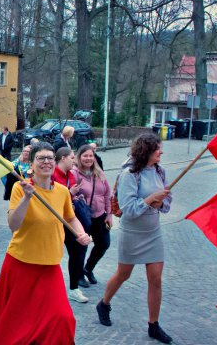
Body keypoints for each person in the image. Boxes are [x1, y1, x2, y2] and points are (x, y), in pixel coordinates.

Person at [0, 142, 91, 344]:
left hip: (50, 267)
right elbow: (14, 225)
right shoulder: (20, 188)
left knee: (62, 318)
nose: (46, 162)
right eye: (41, 158)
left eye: (50, 158)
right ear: (32, 164)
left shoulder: (62, 192)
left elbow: (71, 217)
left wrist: (81, 233)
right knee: (16, 324)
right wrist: (27, 198)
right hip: (21, 264)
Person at [96, 133, 173, 344]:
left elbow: (168, 201)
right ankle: (104, 303)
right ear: (146, 150)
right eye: (157, 148)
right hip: (132, 233)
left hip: (153, 232)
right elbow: (128, 209)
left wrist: (160, 203)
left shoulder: (160, 171)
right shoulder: (129, 175)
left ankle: (153, 325)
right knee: (123, 274)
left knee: (155, 279)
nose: (161, 151)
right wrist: (150, 199)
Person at [53, 147, 91, 303]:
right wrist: (70, 193)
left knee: (78, 250)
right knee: (52, 254)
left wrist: (73, 198)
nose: (74, 161)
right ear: (63, 158)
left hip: (68, 219)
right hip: (54, 221)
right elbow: (51, 199)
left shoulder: (71, 176)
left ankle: (74, 288)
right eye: (72, 157)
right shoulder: (52, 175)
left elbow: (68, 202)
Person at [71, 145, 112, 285]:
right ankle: (78, 275)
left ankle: (88, 268)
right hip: (83, 216)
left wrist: (109, 214)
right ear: (79, 157)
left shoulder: (99, 172)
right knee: (81, 247)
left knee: (104, 243)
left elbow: (107, 194)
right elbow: (67, 193)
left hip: (100, 215)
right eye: (85, 156)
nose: (88, 158)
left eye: (91, 156)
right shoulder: (74, 173)